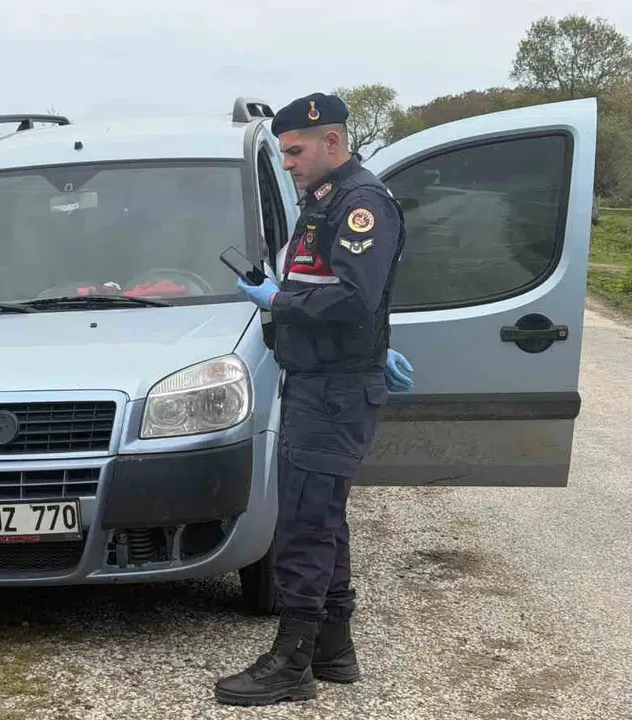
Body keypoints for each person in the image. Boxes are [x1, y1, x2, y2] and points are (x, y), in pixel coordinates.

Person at [213, 92, 415, 706]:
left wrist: (277, 302)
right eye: (284, 152)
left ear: (333, 142)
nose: (290, 162)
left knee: (303, 522)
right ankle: (333, 649)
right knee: (324, 517)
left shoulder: (359, 205)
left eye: (297, 151)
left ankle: (291, 662)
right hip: (322, 379)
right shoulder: (323, 201)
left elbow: (355, 298)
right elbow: (345, 294)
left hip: (332, 390)